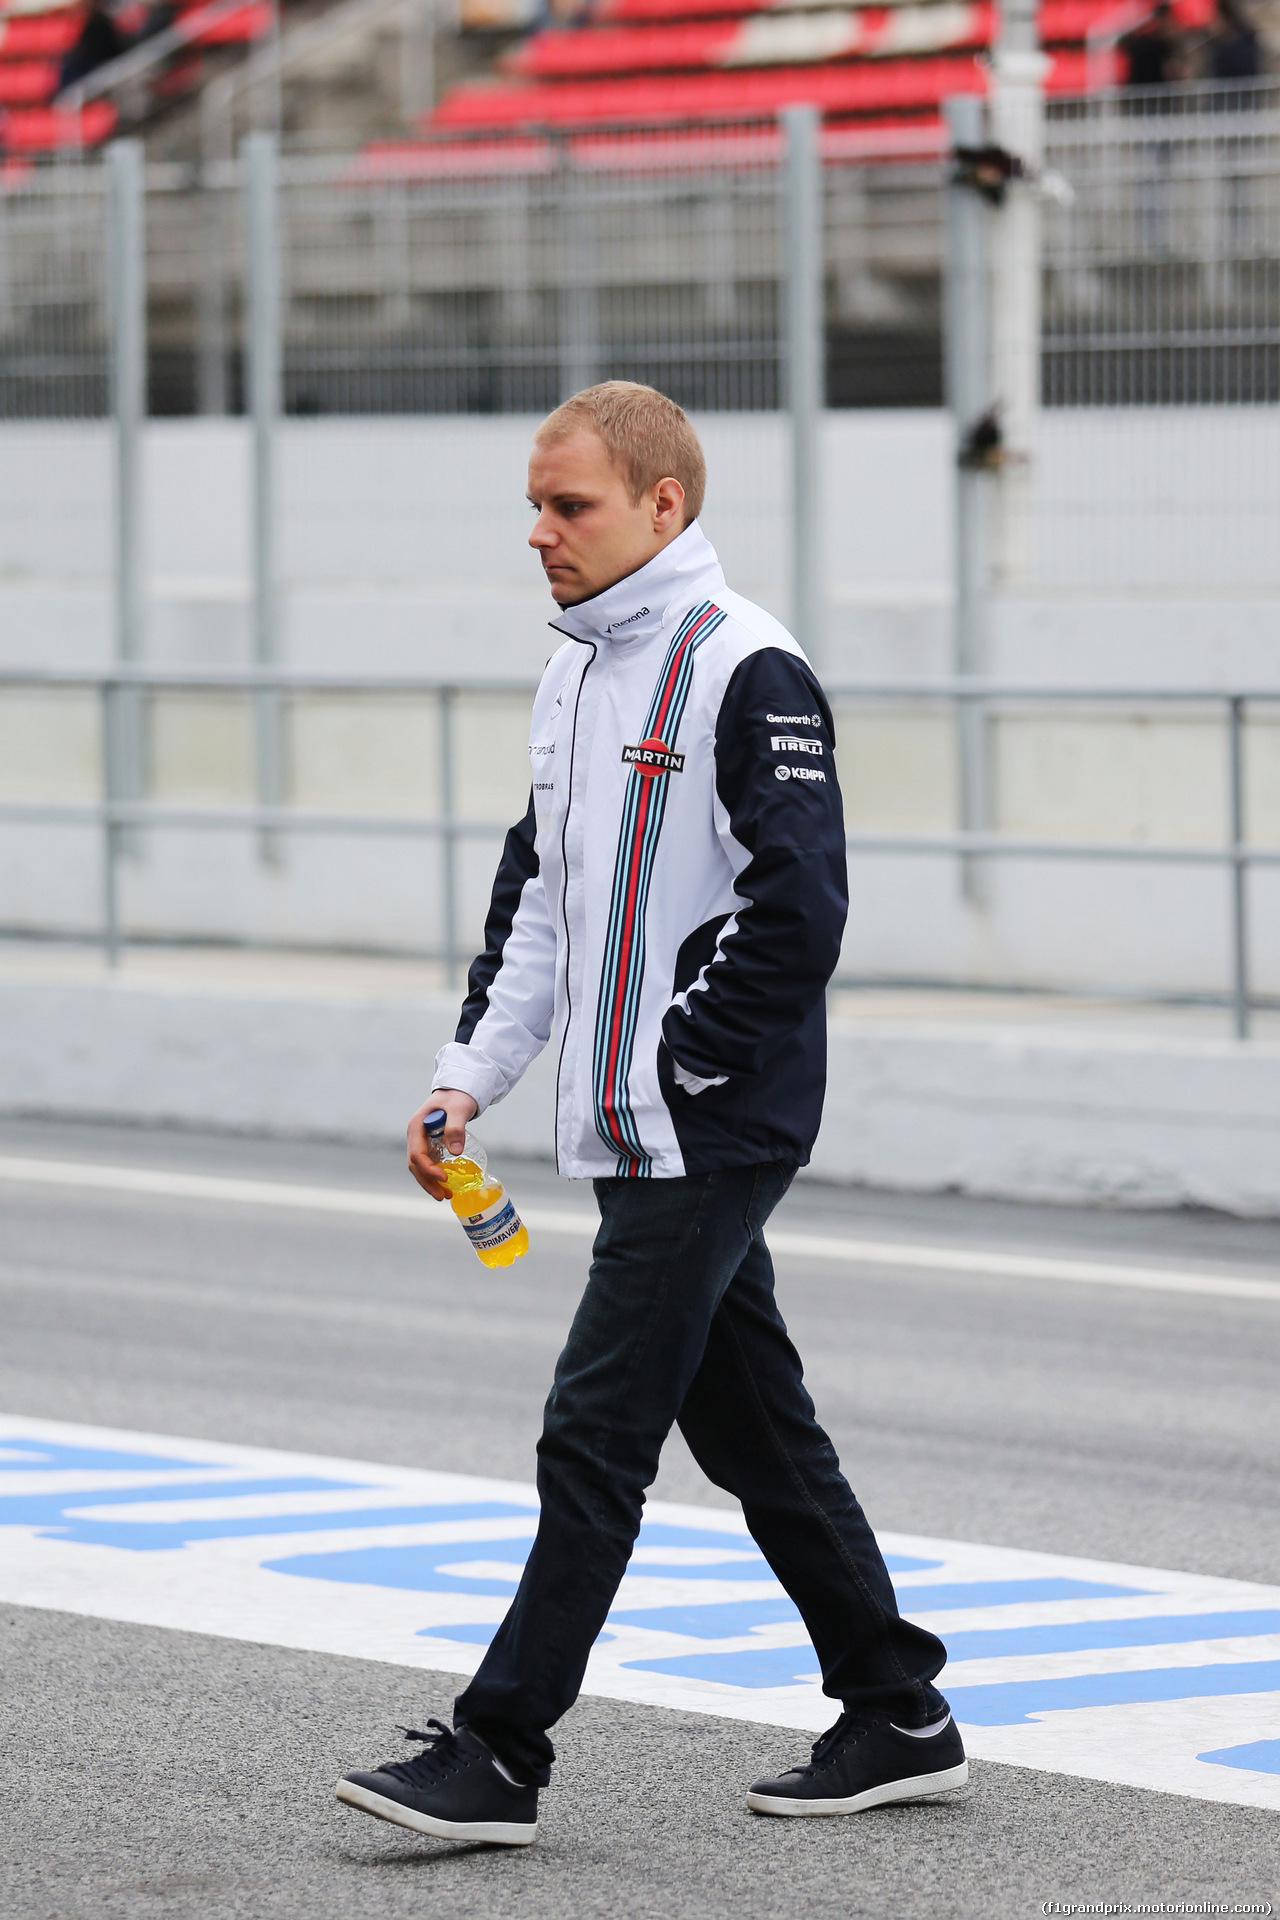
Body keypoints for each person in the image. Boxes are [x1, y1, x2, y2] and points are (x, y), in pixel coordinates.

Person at [335, 381, 966, 1847]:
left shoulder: (745, 665)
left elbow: (799, 909)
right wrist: (466, 1078)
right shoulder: (572, 673)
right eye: (535, 509)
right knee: (755, 1431)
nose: (542, 535)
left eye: (573, 507)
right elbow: (540, 903)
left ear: (661, 505)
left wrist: (684, 1057)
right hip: (633, 1124)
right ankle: (897, 1705)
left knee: (595, 1429)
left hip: (711, 1124)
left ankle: (500, 1750)